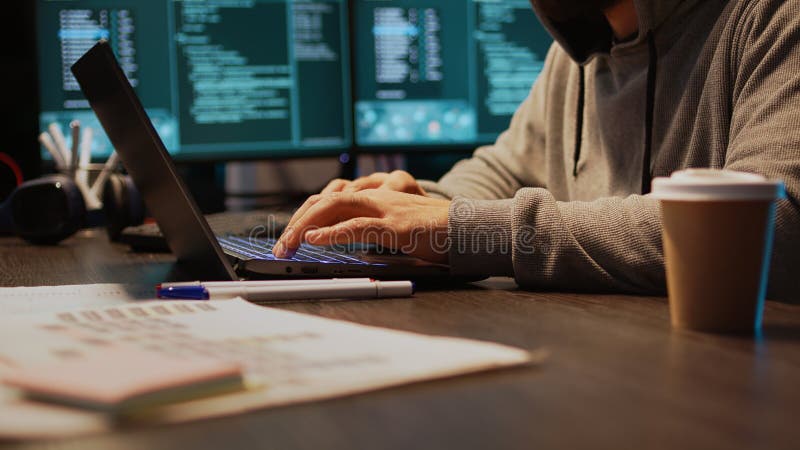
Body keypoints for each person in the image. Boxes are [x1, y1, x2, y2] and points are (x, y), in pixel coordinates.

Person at [274, 0, 800, 301]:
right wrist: (411, 203)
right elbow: (504, 169)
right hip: (606, 372)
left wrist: (461, 228)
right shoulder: (574, 57)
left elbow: (773, 228)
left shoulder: (773, 19)